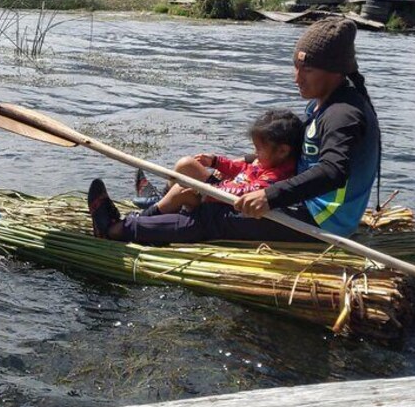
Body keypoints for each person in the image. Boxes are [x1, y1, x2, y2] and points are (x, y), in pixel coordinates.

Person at [87, 17, 380, 244]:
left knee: (214, 215)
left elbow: (333, 171)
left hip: (320, 219)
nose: (297, 79)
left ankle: (117, 229)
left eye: (307, 71)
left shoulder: (344, 114)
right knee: (197, 174)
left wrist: (270, 197)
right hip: (301, 199)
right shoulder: (324, 102)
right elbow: (296, 150)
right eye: (295, 67)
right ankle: (157, 211)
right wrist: (242, 162)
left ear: (335, 71)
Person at [87, 109, 302, 243]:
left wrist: (211, 191)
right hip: (221, 196)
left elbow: (247, 192)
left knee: (183, 193)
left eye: (259, 150)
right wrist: (217, 162)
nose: (255, 154)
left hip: (228, 205)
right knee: (185, 172)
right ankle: (158, 207)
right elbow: (243, 171)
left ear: (282, 151)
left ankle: (115, 229)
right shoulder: (266, 161)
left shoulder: (277, 176)